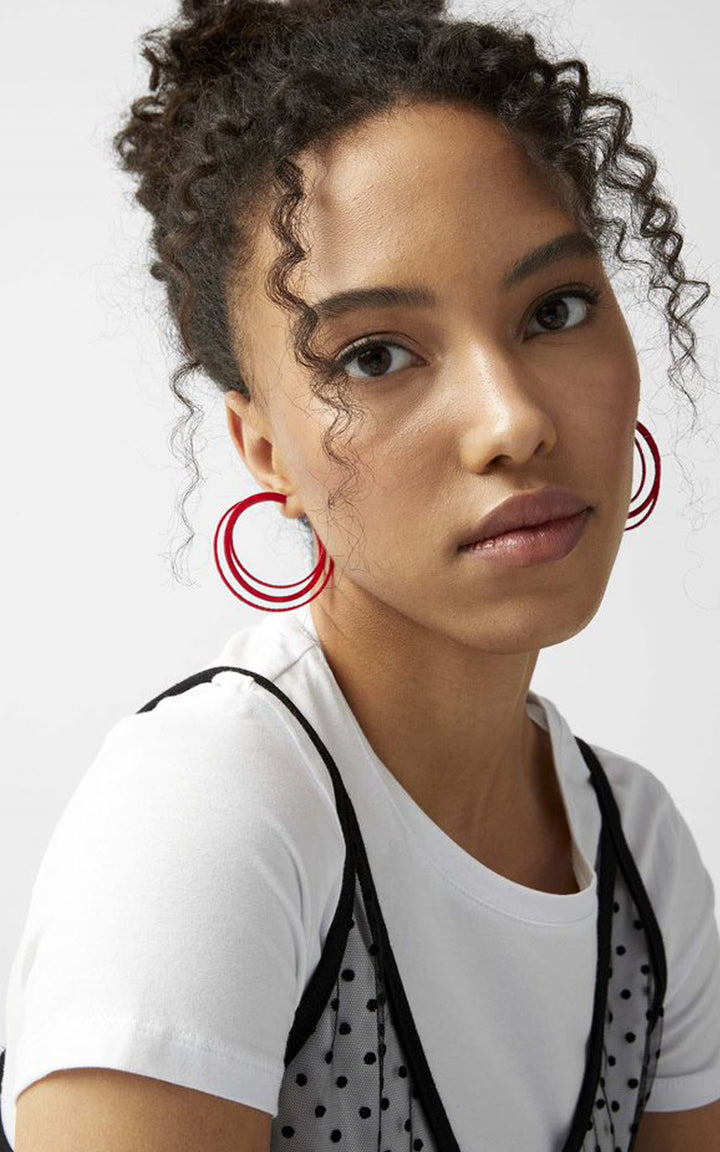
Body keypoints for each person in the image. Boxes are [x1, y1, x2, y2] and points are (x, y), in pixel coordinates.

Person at [2, 2, 719, 1150]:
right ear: (266, 452)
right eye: (376, 355)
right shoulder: (213, 815)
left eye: (555, 310)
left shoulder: (642, 859)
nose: (513, 421)